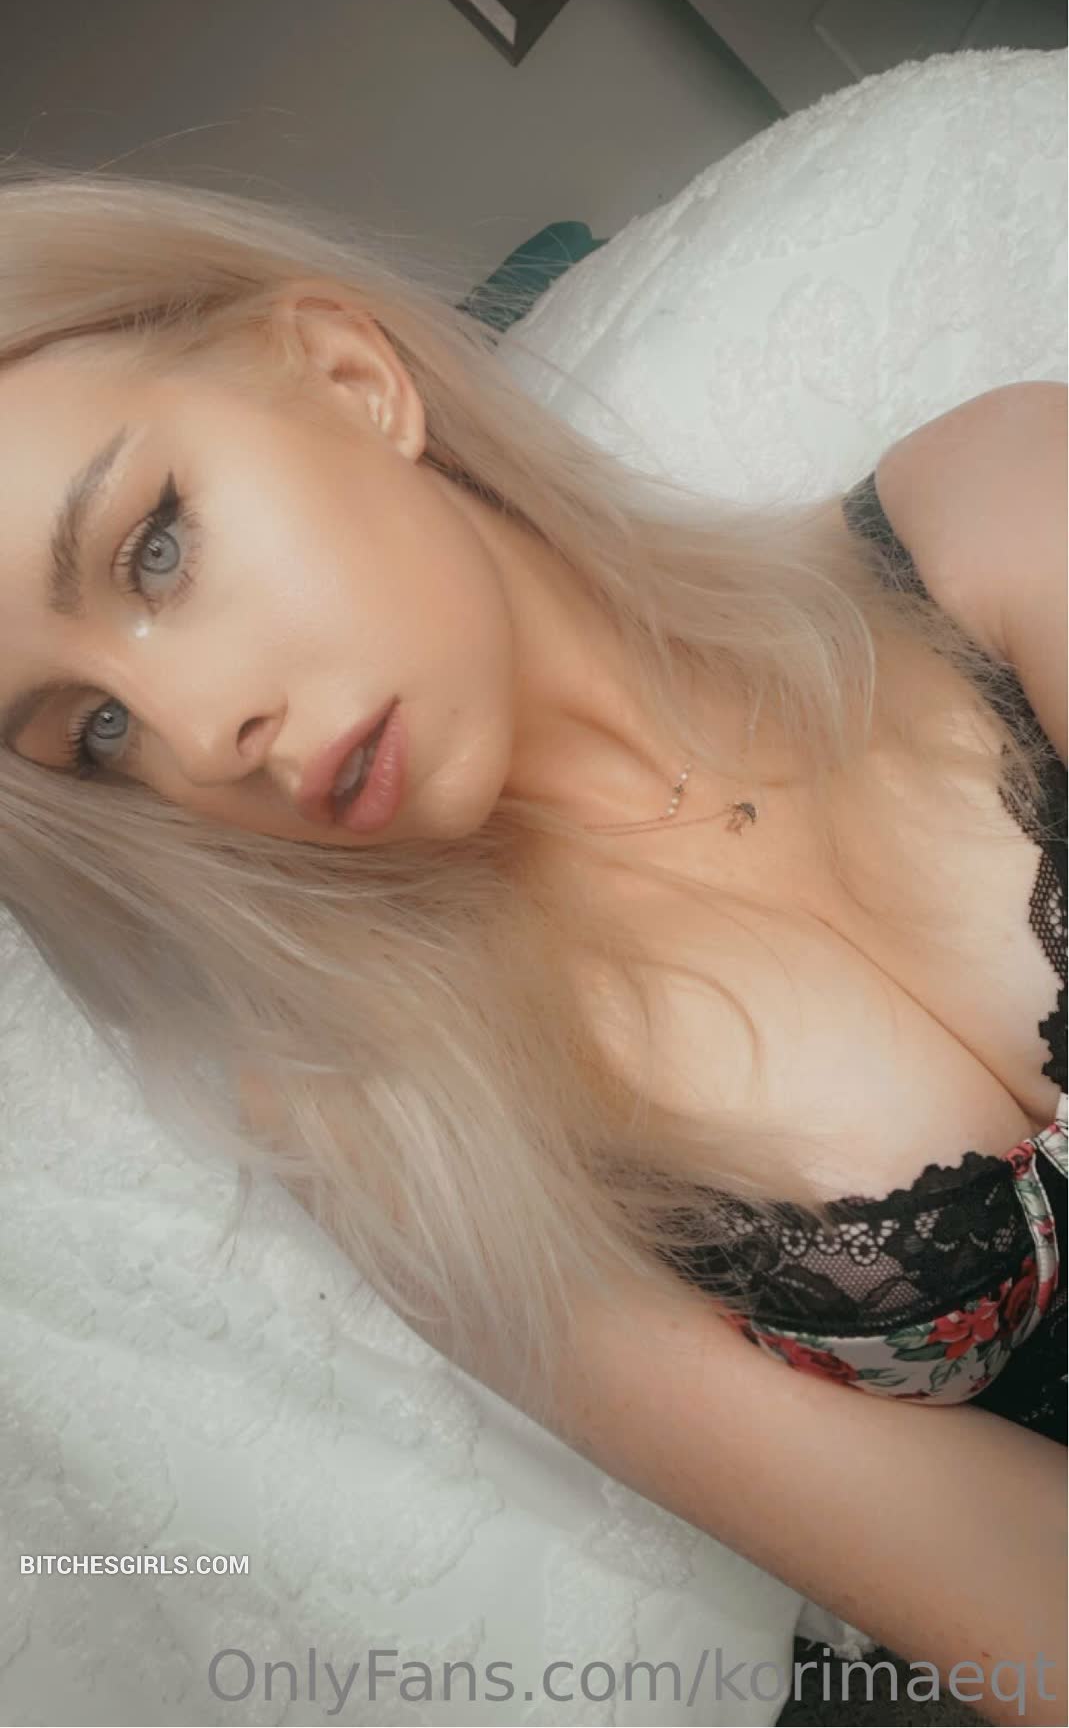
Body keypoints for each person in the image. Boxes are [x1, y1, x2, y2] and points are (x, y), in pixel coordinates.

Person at [0, 167, 1064, 1723]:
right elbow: (1017, 1600)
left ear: (348, 377)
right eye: (93, 731)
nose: (196, 729)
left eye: (153, 550)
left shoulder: (995, 504)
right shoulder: (400, 1121)